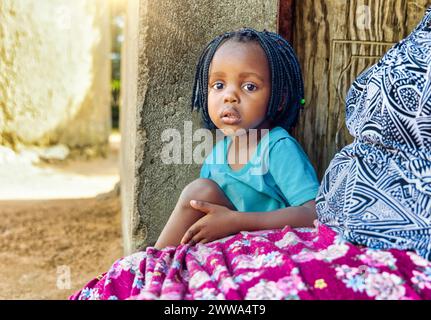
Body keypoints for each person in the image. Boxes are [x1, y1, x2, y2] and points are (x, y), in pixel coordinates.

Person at [154, 28, 320, 250]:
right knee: (202, 192)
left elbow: (314, 214)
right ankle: (155, 261)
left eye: (249, 86)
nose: (229, 96)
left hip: (273, 247)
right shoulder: (217, 155)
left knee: (200, 191)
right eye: (218, 85)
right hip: (231, 247)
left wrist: (236, 221)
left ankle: (151, 265)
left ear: (278, 99)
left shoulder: (277, 147)